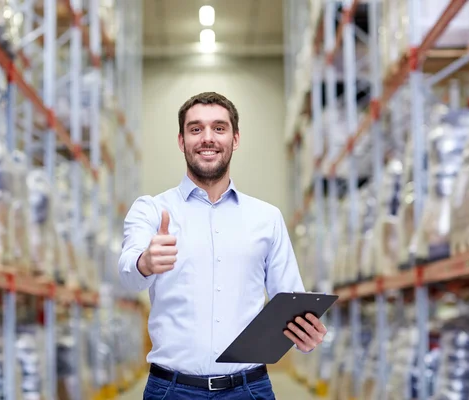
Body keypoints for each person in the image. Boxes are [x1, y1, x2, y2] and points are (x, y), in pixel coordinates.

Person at [118, 92, 327, 399]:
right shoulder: (151, 210)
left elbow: (290, 300)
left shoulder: (266, 218)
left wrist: (305, 335)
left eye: (219, 128)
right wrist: (145, 262)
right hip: (171, 390)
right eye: (195, 129)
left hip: (248, 389)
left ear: (235, 138)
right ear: (181, 141)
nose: (207, 138)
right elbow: (127, 275)